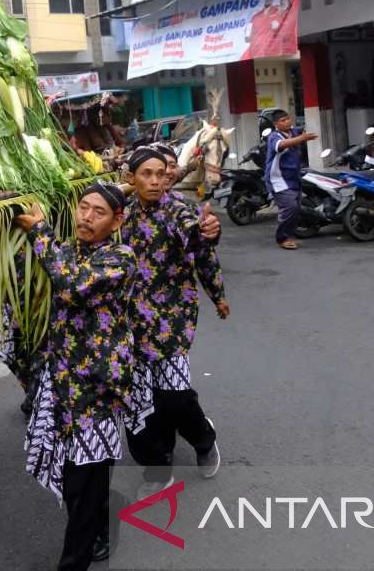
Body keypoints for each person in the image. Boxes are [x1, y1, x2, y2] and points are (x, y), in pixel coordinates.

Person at [12, 182, 149, 571]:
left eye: (98, 212)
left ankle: (75, 560)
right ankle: (102, 519)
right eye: (83, 208)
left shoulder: (120, 258)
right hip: (62, 384)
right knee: (77, 482)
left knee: (82, 483)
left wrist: (40, 232)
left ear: (117, 220)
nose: (86, 217)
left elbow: (71, 285)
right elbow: (43, 269)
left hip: (98, 390)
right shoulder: (68, 250)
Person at [120, 148, 229, 500]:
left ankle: (203, 439)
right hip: (126, 327)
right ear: (131, 178)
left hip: (170, 324)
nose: (154, 180)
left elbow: (199, 242)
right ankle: (157, 467)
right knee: (136, 403)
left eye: (160, 173)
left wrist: (217, 292)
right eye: (146, 174)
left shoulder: (178, 210)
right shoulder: (120, 214)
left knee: (174, 398)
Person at [264, 109, 316, 250]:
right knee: (290, 207)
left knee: (297, 207)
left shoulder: (292, 132)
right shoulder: (274, 136)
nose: (287, 122)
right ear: (276, 124)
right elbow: (280, 145)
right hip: (278, 179)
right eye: (283, 120)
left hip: (294, 177)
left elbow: (301, 131)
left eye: (287, 119)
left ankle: (288, 235)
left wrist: (305, 132)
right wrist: (302, 138)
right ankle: (282, 238)